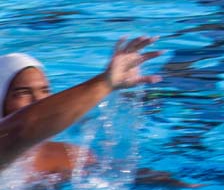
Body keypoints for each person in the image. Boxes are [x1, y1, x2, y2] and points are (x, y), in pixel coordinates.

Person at [0, 36, 162, 178]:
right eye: (22, 93)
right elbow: (25, 127)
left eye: (45, 91)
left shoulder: (68, 156)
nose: (38, 101)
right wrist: (105, 83)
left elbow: (117, 174)